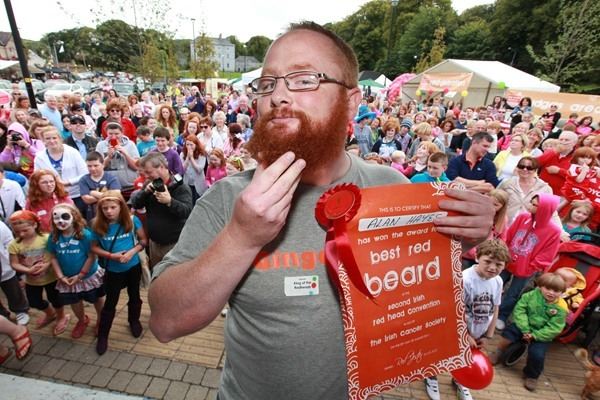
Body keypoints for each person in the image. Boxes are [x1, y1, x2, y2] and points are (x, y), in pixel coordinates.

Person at [147, 22, 494, 400]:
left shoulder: (391, 186)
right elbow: (166, 322)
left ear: (352, 101)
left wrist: (460, 235)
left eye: (304, 79)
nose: (278, 95)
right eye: (268, 83)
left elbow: (418, 294)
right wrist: (241, 236)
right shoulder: (229, 199)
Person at [424, 239, 510, 400]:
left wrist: (488, 336)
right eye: (488, 261)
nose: (493, 268)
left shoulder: (498, 281)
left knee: (466, 358)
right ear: (477, 257)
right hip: (455, 330)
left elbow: (495, 307)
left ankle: (460, 379)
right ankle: (431, 377)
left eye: (498, 264)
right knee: (440, 354)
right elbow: (453, 311)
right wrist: (465, 335)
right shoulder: (464, 280)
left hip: (477, 332)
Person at [490, 272, 567, 392]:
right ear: (540, 287)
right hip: (524, 325)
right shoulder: (531, 295)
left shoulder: (561, 308)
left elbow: (554, 327)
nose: (551, 293)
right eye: (547, 288)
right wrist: (525, 329)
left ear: (562, 292)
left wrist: (535, 335)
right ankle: (499, 351)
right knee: (508, 334)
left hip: (541, 333)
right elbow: (520, 310)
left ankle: (532, 375)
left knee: (537, 354)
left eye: (556, 291)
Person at [91, 191, 147, 354]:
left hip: (133, 266)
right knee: (110, 302)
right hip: (113, 270)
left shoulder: (132, 220)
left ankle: (134, 320)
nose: (109, 211)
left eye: (113, 207)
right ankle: (103, 335)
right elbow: (94, 247)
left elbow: (143, 240)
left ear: (121, 206)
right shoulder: (96, 224)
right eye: (105, 208)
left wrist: (131, 252)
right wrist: (111, 256)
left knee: (134, 295)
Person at [496, 193, 561, 330]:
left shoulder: (554, 231)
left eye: (535, 205)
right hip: (506, 260)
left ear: (544, 209)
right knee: (495, 283)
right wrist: (503, 253)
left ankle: (502, 315)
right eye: (531, 202)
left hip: (525, 268)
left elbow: (547, 254)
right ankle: (487, 310)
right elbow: (509, 235)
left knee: (514, 293)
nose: (530, 206)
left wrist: (531, 267)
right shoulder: (523, 217)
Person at [47, 204, 105, 339]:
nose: (61, 221)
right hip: (68, 278)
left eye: (65, 217)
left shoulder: (85, 235)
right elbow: (53, 257)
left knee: (97, 298)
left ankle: (101, 320)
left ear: (74, 217)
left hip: (88, 276)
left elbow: (92, 256)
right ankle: (82, 320)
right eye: (56, 218)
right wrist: (60, 276)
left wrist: (81, 275)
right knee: (75, 301)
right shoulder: (54, 236)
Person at [8, 210, 70, 336]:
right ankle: (50, 313)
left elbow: (55, 255)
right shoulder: (14, 244)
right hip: (31, 280)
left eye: (25, 230)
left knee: (56, 299)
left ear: (35, 225)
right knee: (33, 301)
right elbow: (14, 263)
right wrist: (27, 270)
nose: (21, 234)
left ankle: (61, 316)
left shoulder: (46, 238)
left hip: (51, 277)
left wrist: (47, 265)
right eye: (17, 232)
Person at [130, 152, 192, 268]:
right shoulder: (149, 184)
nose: (146, 176)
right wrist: (145, 192)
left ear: (162, 167)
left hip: (174, 245)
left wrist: (170, 202)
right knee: (157, 274)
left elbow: (187, 212)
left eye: (149, 172)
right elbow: (136, 204)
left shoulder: (180, 187)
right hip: (154, 244)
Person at [34, 127, 88, 216]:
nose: (52, 141)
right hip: (54, 198)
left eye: (54, 138)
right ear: (43, 140)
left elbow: (85, 173)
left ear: (60, 138)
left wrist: (68, 182)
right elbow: (37, 178)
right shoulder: (39, 157)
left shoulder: (72, 152)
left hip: (76, 195)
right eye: (48, 138)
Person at [497, 157, 555, 224]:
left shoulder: (545, 188)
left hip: (528, 226)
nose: (525, 169)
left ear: (535, 170)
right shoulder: (507, 183)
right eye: (521, 166)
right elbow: (495, 200)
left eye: (529, 168)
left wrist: (559, 229)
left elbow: (551, 212)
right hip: (505, 224)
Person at [95, 122, 140, 197]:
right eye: (110, 134)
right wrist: (108, 157)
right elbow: (98, 168)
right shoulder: (101, 145)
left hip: (129, 186)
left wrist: (125, 153)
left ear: (122, 133)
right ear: (106, 133)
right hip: (109, 187)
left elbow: (136, 167)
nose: (113, 136)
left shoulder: (130, 144)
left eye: (116, 134)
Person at [0, 220, 29, 325]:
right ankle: (2, 314)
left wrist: (9, 260)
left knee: (13, 290)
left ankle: (21, 310)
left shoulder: (1, 226)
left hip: (4, 267)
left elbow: (10, 242)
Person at [79, 152, 121, 220]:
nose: (92, 169)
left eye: (96, 165)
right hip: (93, 216)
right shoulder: (83, 180)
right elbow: (87, 199)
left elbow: (115, 195)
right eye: (89, 166)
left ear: (102, 164)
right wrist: (107, 195)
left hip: (110, 215)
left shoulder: (111, 177)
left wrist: (93, 193)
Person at [536, 130, 578, 195]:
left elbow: (576, 177)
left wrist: (559, 171)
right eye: (561, 139)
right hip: (540, 189)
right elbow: (535, 163)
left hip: (559, 194)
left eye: (567, 140)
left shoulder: (577, 157)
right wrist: (554, 151)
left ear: (574, 143)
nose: (563, 142)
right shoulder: (551, 152)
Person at [180, 134, 207, 203]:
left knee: (198, 202)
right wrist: (187, 158)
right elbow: (182, 170)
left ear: (196, 145)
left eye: (191, 145)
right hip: (187, 183)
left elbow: (199, 170)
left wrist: (191, 158)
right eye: (187, 144)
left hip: (198, 184)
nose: (189, 147)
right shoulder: (182, 154)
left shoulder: (202, 154)